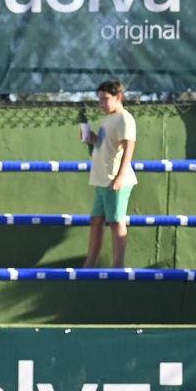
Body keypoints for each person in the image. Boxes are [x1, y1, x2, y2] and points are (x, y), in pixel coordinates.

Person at [84, 78, 138, 269]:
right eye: (99, 99)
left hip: (114, 178)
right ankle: (90, 264)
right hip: (101, 179)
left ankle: (118, 267)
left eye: (105, 99)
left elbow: (128, 146)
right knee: (96, 221)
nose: (101, 103)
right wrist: (93, 139)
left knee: (116, 222)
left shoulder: (125, 118)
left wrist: (120, 176)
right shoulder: (108, 119)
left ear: (118, 97)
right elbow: (107, 145)